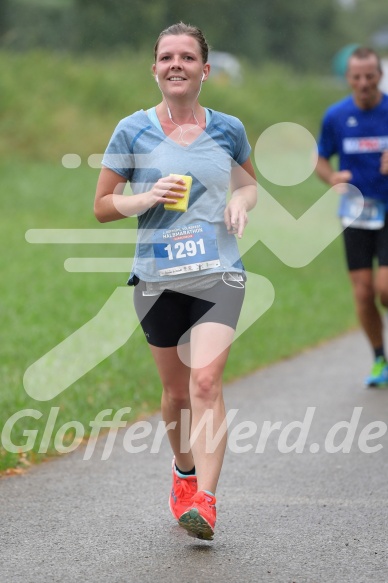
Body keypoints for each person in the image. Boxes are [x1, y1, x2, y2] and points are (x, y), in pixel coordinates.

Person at [94, 22, 257, 540]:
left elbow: (250, 185)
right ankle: (183, 471)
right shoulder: (132, 130)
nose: (176, 65)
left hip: (219, 272)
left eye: (187, 57)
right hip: (156, 275)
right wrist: (143, 199)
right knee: (175, 393)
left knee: (204, 381)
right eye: (167, 57)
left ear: (204, 70)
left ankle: (205, 501)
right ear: (155, 68)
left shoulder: (228, 128)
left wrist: (238, 200)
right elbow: (101, 206)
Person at [316, 46, 388, 387]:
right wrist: (331, 178)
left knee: (385, 289)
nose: (363, 83)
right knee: (362, 294)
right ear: (348, 78)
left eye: (369, 76)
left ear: (379, 76)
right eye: (356, 77)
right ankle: (379, 359)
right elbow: (320, 158)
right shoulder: (336, 116)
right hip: (356, 213)